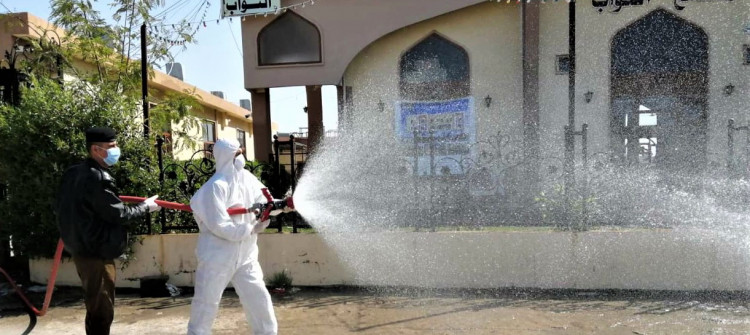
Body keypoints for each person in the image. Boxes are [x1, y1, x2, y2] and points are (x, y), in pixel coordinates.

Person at [56, 127, 160, 335]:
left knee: (94, 304)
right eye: (112, 147)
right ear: (96, 150)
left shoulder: (73, 173)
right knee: (102, 309)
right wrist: (145, 207)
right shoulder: (98, 178)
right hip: (97, 253)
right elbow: (118, 214)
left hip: (81, 249)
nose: (116, 150)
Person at [187, 138, 277, 335]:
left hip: (246, 255)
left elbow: (264, 200)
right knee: (206, 303)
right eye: (237, 154)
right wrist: (250, 227)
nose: (241, 158)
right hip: (217, 256)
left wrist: (273, 210)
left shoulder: (247, 178)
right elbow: (221, 226)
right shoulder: (215, 187)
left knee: (258, 298)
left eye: (241, 152)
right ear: (226, 157)